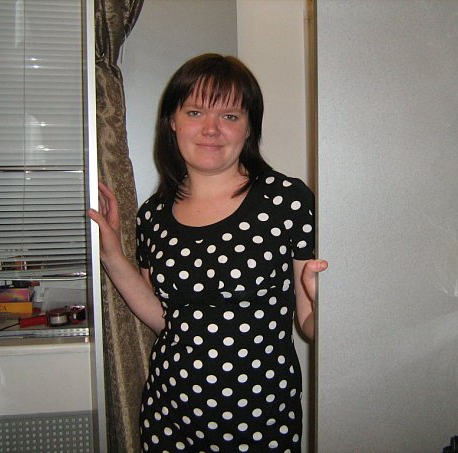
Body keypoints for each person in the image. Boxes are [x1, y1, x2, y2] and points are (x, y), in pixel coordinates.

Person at [88, 53, 328, 452]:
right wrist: (112, 254)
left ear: (249, 127)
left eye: (230, 116)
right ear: (173, 121)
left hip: (261, 422)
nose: (211, 129)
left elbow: (308, 322)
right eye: (195, 112)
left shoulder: (287, 200)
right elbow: (165, 318)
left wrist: (333, 312)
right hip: (169, 418)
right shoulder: (153, 215)